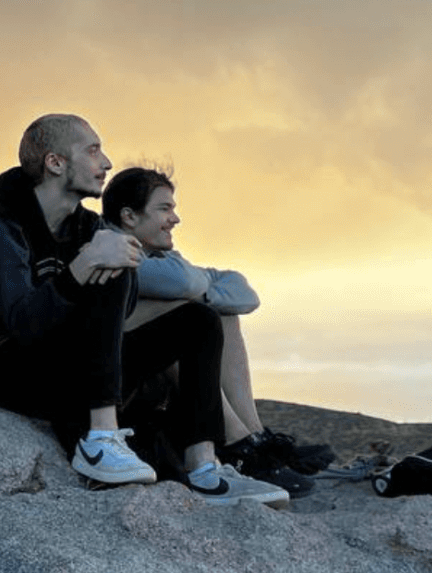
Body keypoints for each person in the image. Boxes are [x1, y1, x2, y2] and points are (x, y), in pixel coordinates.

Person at [0, 114, 285, 506]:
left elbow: (117, 312)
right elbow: (22, 323)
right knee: (109, 267)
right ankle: (99, 441)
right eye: (93, 150)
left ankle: (204, 470)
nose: (107, 163)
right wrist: (83, 267)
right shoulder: (2, 226)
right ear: (55, 163)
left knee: (198, 321)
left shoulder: (86, 226)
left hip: (69, 361)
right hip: (5, 364)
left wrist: (107, 261)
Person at [100, 167, 327, 497]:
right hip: (118, 386)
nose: (175, 219)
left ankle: (253, 436)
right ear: (129, 217)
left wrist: (200, 291)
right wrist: (194, 289)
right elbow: (183, 281)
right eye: (164, 209)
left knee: (220, 315)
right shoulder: (113, 251)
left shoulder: (158, 256)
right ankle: (237, 444)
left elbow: (243, 292)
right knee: (189, 314)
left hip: (153, 380)